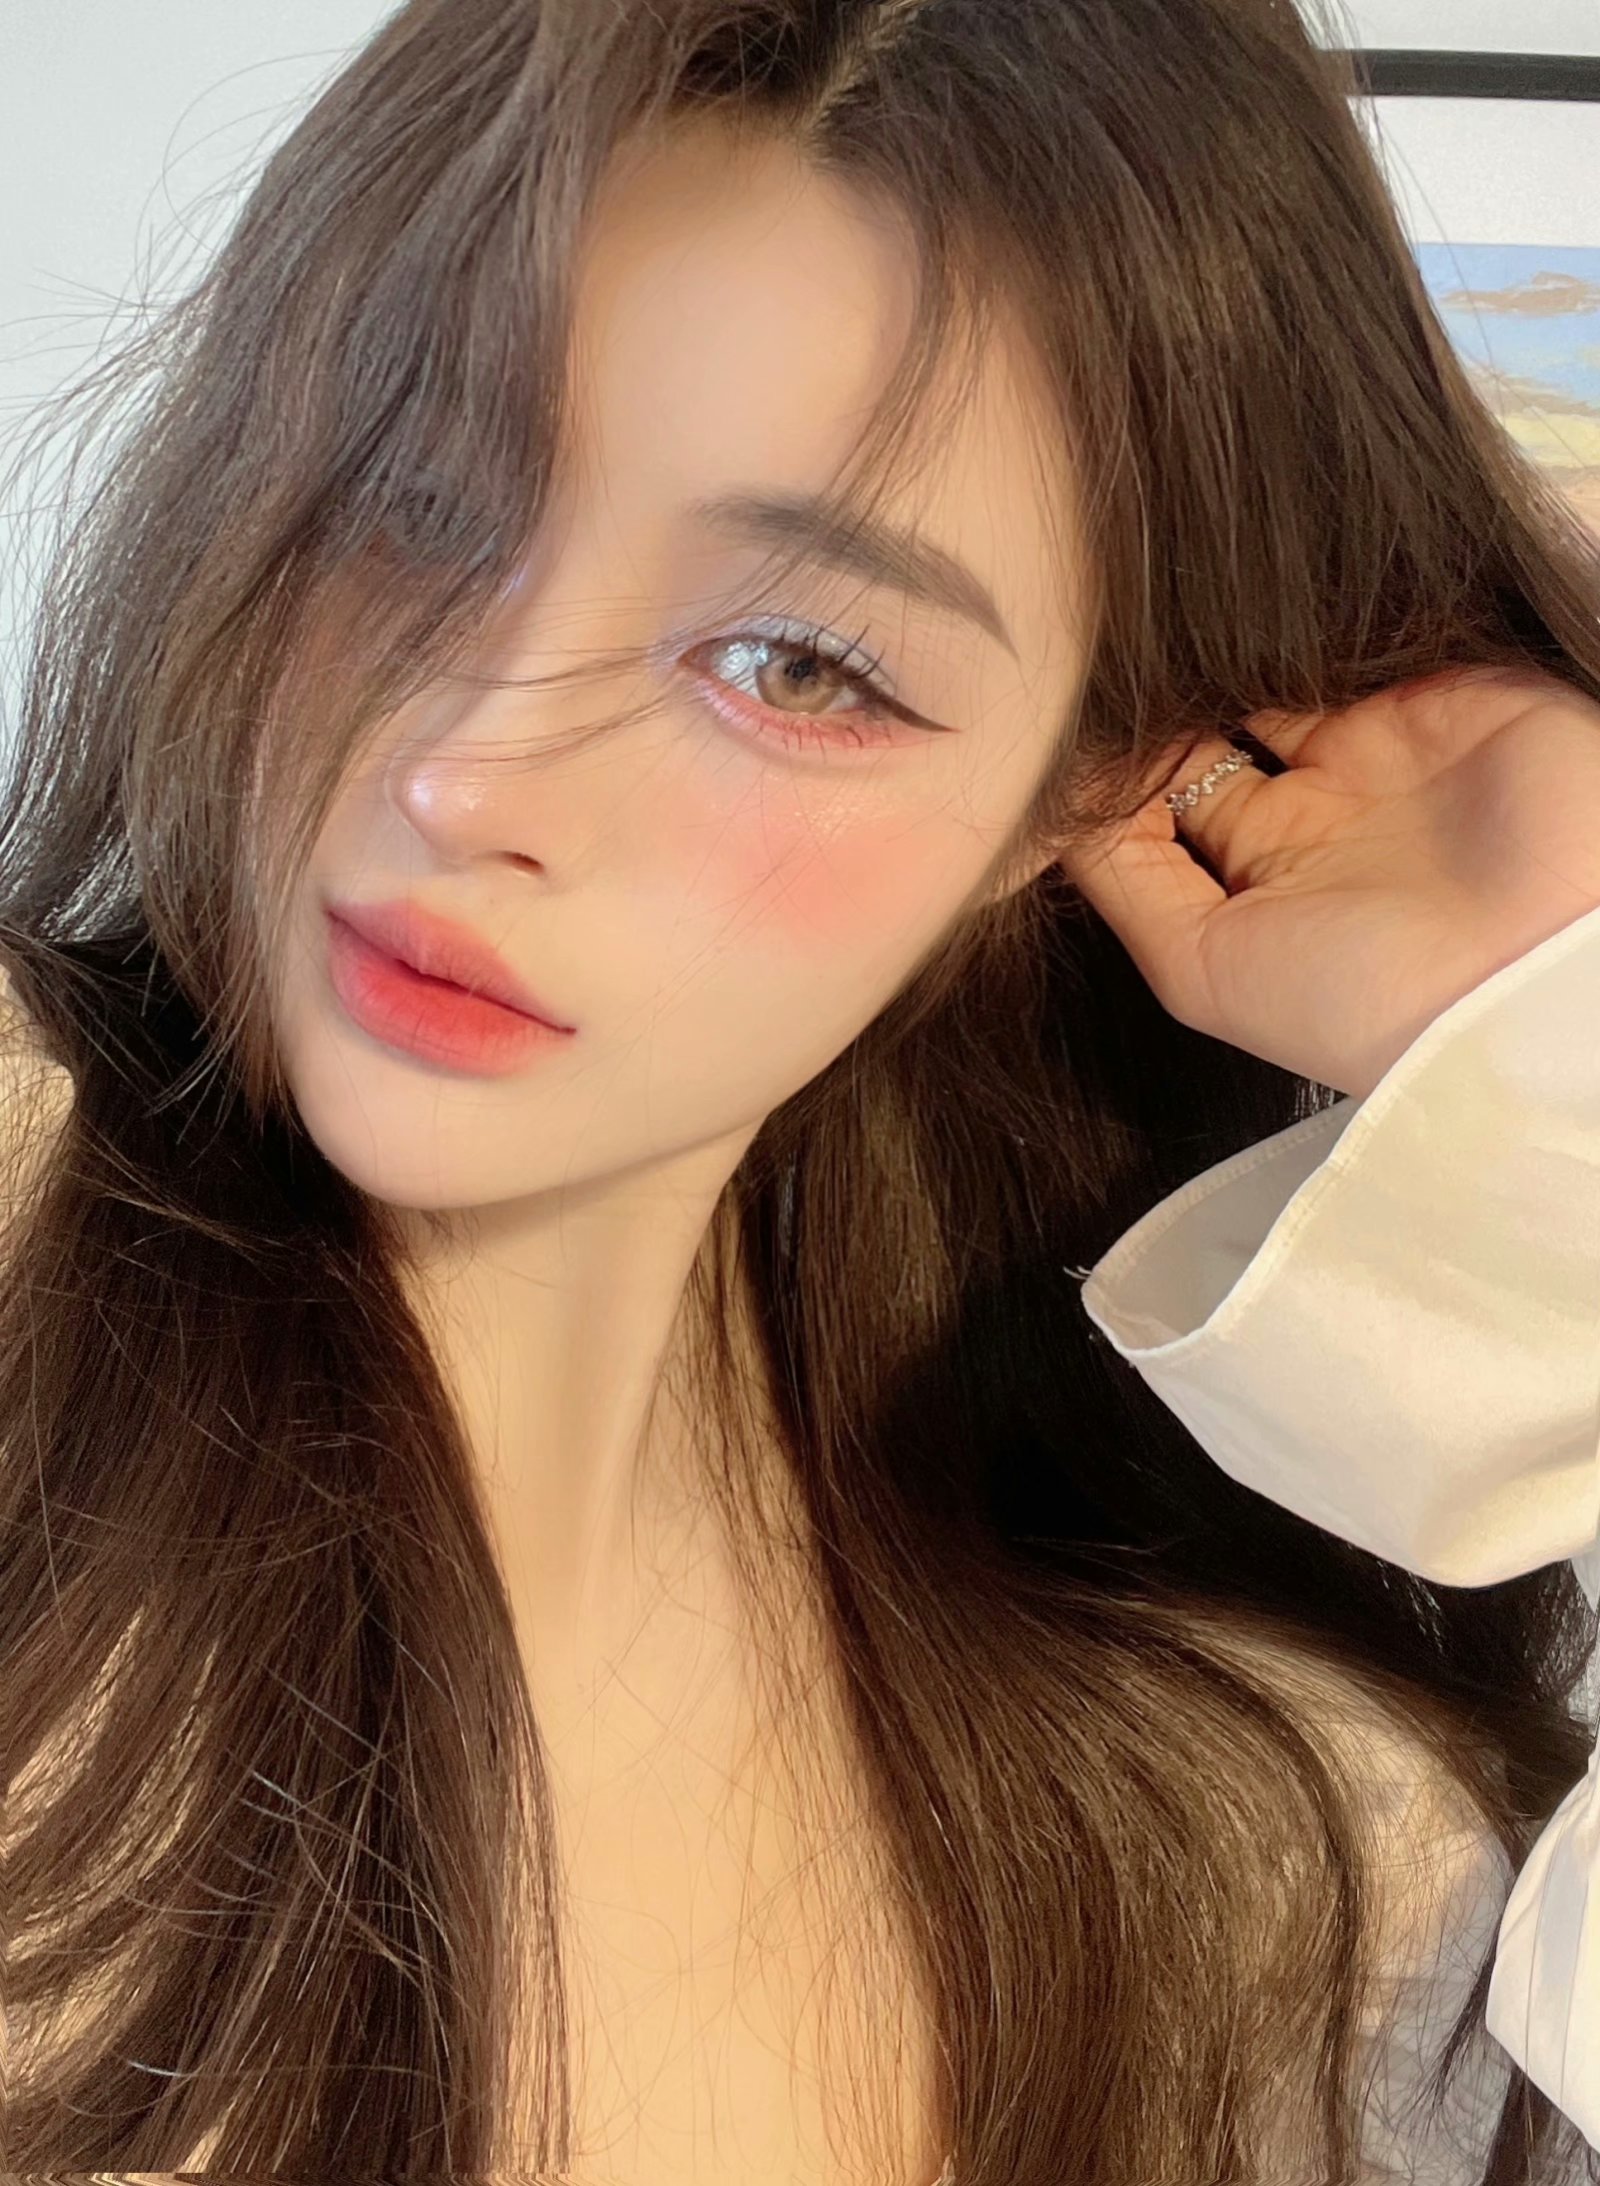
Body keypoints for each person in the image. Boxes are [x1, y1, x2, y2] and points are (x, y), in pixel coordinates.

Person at [1, 0, 1596, 2179]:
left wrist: (1555, 1061)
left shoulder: (1264, 1871)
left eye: (796, 663)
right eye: (415, 491)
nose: (466, 772)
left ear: (1094, 791)